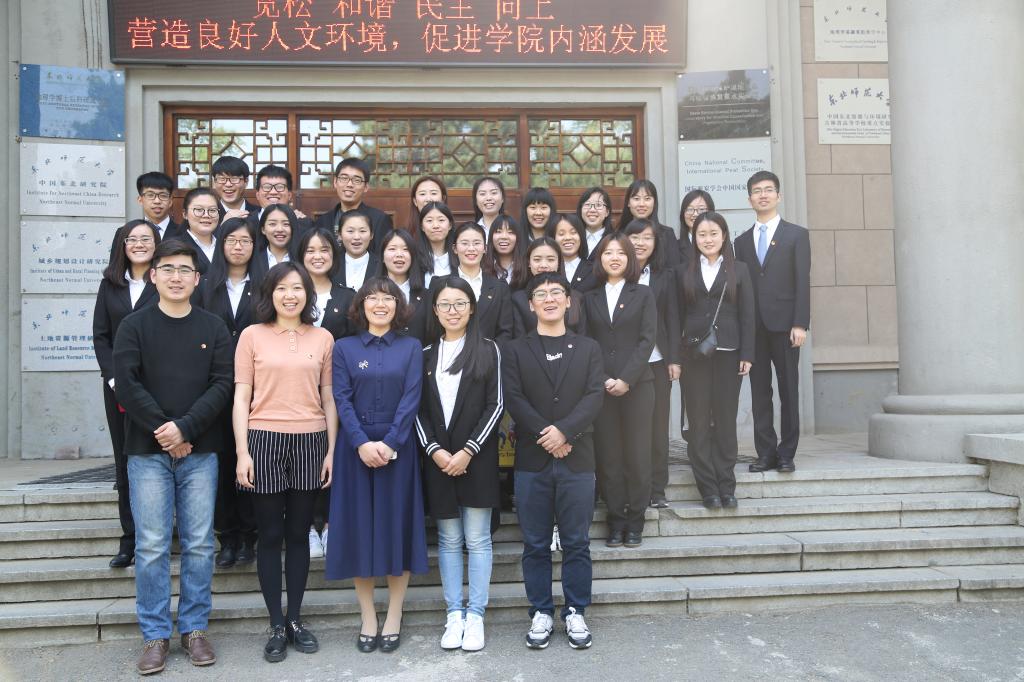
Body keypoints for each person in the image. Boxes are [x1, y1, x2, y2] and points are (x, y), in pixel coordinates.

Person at [113, 239, 233, 675]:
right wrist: (167, 431)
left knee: (199, 543)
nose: (176, 277)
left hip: (201, 452)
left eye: (185, 270)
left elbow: (223, 383)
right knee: (151, 546)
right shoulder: (133, 326)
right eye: (168, 269)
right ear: (153, 275)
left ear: (197, 279)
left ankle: (195, 629)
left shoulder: (213, 327)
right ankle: (155, 635)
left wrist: (186, 428)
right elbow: (126, 383)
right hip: (147, 452)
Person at [233, 262, 337, 663]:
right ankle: (275, 623)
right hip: (263, 439)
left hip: (311, 439)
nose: (289, 295)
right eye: (281, 288)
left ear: (307, 294)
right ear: (269, 294)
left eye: (297, 288)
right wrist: (242, 451)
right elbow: (242, 397)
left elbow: (328, 398)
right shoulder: (251, 336)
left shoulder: (323, 337)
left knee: (298, 534)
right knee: (270, 535)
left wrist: (331, 450)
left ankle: (295, 619)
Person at [502, 272, 604, 650]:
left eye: (556, 292)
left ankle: (575, 610)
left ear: (568, 301)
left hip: (578, 459)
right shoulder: (516, 350)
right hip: (532, 460)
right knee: (535, 543)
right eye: (541, 294)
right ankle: (541, 611)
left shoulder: (588, 348)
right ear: (531, 305)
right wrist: (549, 435)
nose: (549, 299)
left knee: (577, 541)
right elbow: (514, 398)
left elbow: (594, 396)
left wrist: (565, 432)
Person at [326, 278, 427, 654]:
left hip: (397, 447)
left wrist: (390, 442)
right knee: (359, 530)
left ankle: (395, 614)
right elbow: (341, 398)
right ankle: (368, 616)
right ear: (361, 306)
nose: (380, 304)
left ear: (398, 305)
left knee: (397, 528)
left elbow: (412, 398)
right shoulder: (344, 348)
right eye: (373, 298)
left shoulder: (411, 347)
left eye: (388, 298)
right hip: (355, 449)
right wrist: (361, 443)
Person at [415, 276, 503, 652]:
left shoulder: (488, 349)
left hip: (476, 459)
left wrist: (468, 450)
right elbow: (416, 410)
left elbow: (496, 406)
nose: (453, 311)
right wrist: (434, 450)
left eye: (460, 303)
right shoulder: (424, 355)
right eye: (445, 304)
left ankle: (476, 615)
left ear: (471, 308)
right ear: (435, 311)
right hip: (438, 459)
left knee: (478, 539)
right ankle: (454, 614)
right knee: (449, 540)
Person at [93, 219, 160, 569]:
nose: (139, 244)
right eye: (132, 239)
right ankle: (130, 538)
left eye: (146, 239)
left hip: (160, 386)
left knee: (159, 457)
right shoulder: (110, 285)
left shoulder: (164, 280)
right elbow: (101, 336)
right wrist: (114, 378)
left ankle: (161, 533)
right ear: (122, 245)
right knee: (125, 460)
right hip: (119, 387)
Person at [733, 171, 810, 474]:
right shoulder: (741, 242)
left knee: (788, 390)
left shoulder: (796, 235)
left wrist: (800, 323)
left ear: (778, 196)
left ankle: (787, 453)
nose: (762, 195)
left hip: (786, 326)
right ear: (749, 199)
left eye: (768, 190)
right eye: (756, 191)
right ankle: (765, 453)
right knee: (759, 392)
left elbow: (802, 281)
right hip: (755, 330)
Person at [583, 233, 656, 548]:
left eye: (621, 253)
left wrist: (626, 378)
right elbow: (586, 342)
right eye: (608, 253)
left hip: (638, 386)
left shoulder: (643, 293)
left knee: (638, 455)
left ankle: (635, 521)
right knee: (609, 456)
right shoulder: (589, 297)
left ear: (630, 258)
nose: (614, 258)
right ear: (600, 259)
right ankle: (615, 521)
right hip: (602, 388)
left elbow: (647, 339)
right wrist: (602, 378)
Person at [196, 218, 261, 568]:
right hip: (215, 384)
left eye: (245, 241)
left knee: (251, 458)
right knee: (221, 462)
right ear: (221, 245)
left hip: (258, 386)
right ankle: (228, 536)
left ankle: (250, 535)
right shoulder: (206, 285)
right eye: (231, 240)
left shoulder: (265, 285)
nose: (238, 247)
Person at [678, 212, 755, 508]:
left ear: (724, 236)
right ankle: (707, 488)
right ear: (694, 238)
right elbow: (677, 315)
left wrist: (747, 353)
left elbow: (748, 315)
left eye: (713, 234)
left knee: (725, 420)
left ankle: (726, 485)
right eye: (701, 234)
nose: (707, 239)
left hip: (729, 353)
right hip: (694, 355)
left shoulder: (740, 270)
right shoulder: (683, 271)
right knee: (698, 421)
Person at [623, 219, 682, 509]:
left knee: (657, 429)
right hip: (623, 366)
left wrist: (674, 359)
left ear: (656, 243)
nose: (640, 243)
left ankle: (657, 488)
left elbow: (673, 318)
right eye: (635, 237)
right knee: (628, 429)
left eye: (647, 237)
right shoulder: (615, 273)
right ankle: (630, 487)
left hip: (657, 361)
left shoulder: (664, 276)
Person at [676, 189, 716, 442]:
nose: (695, 214)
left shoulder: (722, 246)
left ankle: (715, 442)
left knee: (716, 395)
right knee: (692, 395)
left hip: (715, 335)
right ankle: (696, 443)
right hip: (686, 334)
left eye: (701, 209)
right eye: (690, 209)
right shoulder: (674, 246)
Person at [431, 222, 513, 345]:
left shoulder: (499, 287)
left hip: (488, 355)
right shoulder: (438, 284)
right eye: (464, 243)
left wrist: (491, 353)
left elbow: (505, 332)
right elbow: (431, 327)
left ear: (485, 248)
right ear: (454, 248)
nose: (471, 249)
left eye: (476, 243)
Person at [313, 158, 393, 253]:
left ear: (366, 187)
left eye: (357, 180)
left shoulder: (379, 219)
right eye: (344, 178)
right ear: (335, 182)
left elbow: (383, 256)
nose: (349, 184)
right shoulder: (322, 221)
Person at [511, 237, 586, 336]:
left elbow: (582, 338)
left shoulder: (577, 297)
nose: (543, 265)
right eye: (537, 259)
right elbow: (519, 338)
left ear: (559, 262)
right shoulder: (518, 299)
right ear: (529, 262)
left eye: (550, 259)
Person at [300, 227, 355, 342]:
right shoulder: (291, 294)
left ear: (334, 254)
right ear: (302, 256)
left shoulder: (348, 297)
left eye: (324, 250)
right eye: (310, 251)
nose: (317, 256)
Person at [377, 229, 430, 343]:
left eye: (405, 249)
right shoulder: (369, 293)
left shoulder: (426, 296)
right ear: (382, 256)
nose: (399, 254)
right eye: (392, 249)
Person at [617, 179, 683, 267]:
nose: (641, 204)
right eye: (636, 199)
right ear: (628, 203)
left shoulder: (667, 234)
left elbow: (674, 269)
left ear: (654, 202)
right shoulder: (618, 234)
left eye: (647, 199)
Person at [248, 165, 312, 237]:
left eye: (279, 187)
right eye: (267, 187)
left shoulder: (304, 224)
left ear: (289, 195)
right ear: (257, 195)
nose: (273, 192)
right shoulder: (244, 221)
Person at [249, 203, 301, 283]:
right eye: (272, 224)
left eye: (286, 224)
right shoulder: (252, 259)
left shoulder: (302, 258)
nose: (280, 229)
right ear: (263, 229)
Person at [548, 213, 595, 292]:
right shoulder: (546, 268)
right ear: (553, 238)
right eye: (561, 234)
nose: (568, 238)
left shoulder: (594, 270)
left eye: (573, 232)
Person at [337, 209, 380, 291]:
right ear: (340, 235)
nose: (356, 237)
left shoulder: (382, 265)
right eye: (350, 231)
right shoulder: (332, 264)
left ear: (371, 235)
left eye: (362, 231)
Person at [180, 187, 220, 274]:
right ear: (185, 214)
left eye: (212, 210)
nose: (206, 215)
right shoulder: (175, 246)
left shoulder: (226, 245)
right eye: (199, 210)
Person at [417, 201, 454, 287]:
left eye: (441, 220)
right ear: (422, 226)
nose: (436, 225)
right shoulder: (414, 258)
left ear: (450, 225)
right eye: (429, 220)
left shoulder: (460, 255)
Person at [212, 156, 259, 222]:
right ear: (215, 182)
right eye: (222, 179)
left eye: (234, 179)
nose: (228, 184)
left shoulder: (260, 214)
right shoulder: (207, 215)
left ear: (246, 181)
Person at [135, 172, 181, 240]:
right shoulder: (126, 233)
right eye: (150, 195)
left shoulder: (184, 233)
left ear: (170, 201)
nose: (157, 201)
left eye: (163, 196)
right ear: (140, 200)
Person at [484, 214, 527, 286]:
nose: (504, 237)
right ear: (491, 237)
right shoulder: (481, 267)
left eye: (510, 232)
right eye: (498, 231)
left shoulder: (527, 267)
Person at [577, 187, 614, 260]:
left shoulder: (615, 240)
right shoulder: (573, 238)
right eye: (587, 204)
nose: (592, 210)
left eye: (598, 205)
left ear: (607, 212)